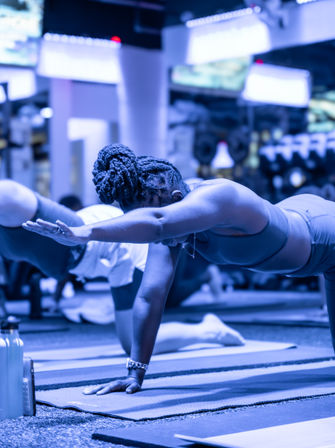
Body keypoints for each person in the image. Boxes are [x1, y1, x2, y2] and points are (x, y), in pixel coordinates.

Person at [24, 142, 335, 396]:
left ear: (175, 199)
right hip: (304, 226)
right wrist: (136, 372)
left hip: (326, 234)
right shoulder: (171, 229)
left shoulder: (220, 196)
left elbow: (158, 224)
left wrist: (85, 232)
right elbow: (150, 296)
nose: (147, 235)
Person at [0, 179, 244, 354]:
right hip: (86, 238)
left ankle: (209, 330)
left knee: (133, 344)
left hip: (119, 253)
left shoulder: (12, 203)